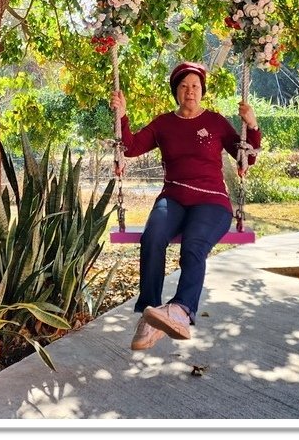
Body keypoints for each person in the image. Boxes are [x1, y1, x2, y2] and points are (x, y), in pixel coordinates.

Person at [110, 61, 262, 351]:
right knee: (152, 238)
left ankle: (180, 309)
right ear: (175, 92)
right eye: (183, 86)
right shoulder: (164, 123)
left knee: (193, 245)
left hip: (212, 201)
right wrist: (122, 115)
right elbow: (130, 147)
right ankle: (151, 312)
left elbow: (247, 159)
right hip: (174, 197)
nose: (189, 91)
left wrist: (252, 125)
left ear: (202, 91)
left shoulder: (216, 122)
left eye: (194, 86)